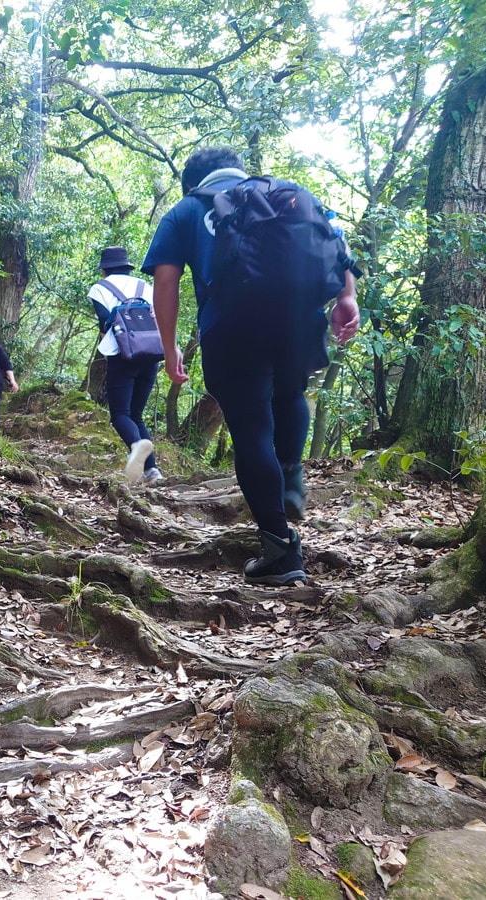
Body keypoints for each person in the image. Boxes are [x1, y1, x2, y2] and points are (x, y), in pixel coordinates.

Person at [142, 147, 360, 586]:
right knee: (291, 395)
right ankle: (290, 478)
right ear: (239, 171)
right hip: (298, 319)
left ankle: (280, 550)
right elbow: (336, 241)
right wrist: (346, 297)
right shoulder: (287, 194)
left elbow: (166, 283)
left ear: (193, 182)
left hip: (231, 326)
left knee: (251, 428)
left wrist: (169, 349)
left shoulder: (186, 210)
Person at [89, 246, 163, 484]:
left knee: (120, 415)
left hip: (123, 355)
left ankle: (137, 447)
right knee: (137, 415)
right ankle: (152, 472)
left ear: (104, 269)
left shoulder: (100, 288)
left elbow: (104, 323)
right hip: (151, 354)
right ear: (127, 266)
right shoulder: (146, 287)